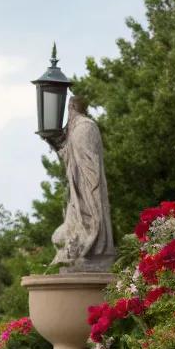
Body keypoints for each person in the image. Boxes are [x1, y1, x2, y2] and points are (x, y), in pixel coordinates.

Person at [45, 94, 115, 269]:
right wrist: (53, 141)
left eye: (68, 108)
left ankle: (92, 250)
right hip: (77, 187)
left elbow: (90, 162)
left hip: (87, 186)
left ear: (71, 108)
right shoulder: (75, 129)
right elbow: (69, 155)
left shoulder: (85, 127)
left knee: (89, 216)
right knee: (72, 224)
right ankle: (77, 250)